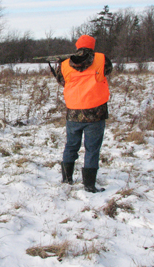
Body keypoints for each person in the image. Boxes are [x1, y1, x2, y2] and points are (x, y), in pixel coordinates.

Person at [50, 35, 113, 193]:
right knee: (92, 149)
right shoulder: (102, 59)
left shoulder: (65, 64)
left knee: (71, 146)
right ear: (93, 46)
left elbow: (62, 80)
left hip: (73, 113)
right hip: (96, 114)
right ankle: (89, 185)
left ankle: (67, 179)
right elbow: (109, 71)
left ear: (77, 46)